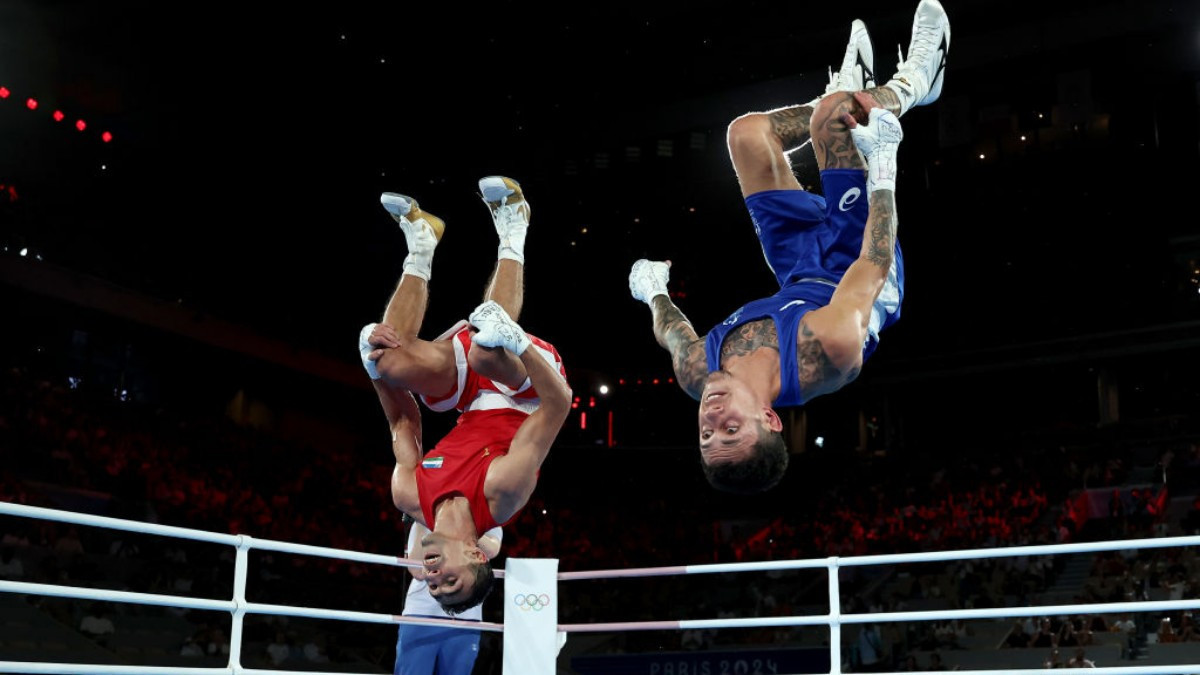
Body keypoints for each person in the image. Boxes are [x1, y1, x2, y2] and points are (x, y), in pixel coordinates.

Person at [628, 0, 950, 493]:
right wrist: (883, 166)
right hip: (856, 264)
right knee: (835, 121)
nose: (711, 418)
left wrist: (653, 292)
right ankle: (914, 85)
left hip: (796, 266)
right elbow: (875, 260)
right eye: (730, 429)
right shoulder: (830, 350)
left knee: (746, 136)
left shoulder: (698, 372)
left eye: (705, 434)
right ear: (769, 419)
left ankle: (842, 94)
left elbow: (672, 334)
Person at [359, 176, 571, 614]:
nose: (434, 578)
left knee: (389, 360)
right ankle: (514, 225)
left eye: (434, 587)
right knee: (485, 352)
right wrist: (520, 344)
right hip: (528, 388)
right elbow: (558, 404)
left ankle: (421, 240)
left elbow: (403, 421)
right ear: (478, 556)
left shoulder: (409, 496)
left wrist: (371, 367)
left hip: (471, 399)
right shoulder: (502, 493)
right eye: (449, 581)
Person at [393, 521, 501, 675]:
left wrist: (461, 521)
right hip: (421, 615)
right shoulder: (424, 518)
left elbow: (491, 550)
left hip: (466, 620)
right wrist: (427, 521)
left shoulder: (487, 515)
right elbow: (416, 571)